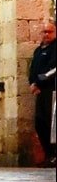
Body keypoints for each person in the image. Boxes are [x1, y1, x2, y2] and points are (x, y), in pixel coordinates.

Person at [29, 22, 56, 166]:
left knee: (52, 123)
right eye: (44, 31)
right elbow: (32, 68)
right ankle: (48, 154)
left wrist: (39, 82)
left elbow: (53, 70)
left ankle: (54, 155)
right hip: (40, 91)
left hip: (52, 90)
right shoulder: (38, 50)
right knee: (40, 123)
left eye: (49, 32)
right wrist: (32, 83)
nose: (46, 34)